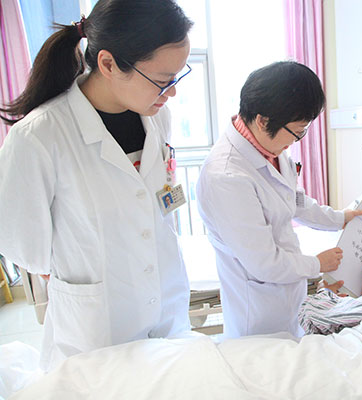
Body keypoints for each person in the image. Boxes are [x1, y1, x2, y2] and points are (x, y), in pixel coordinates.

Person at [0, 0, 193, 370]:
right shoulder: (39, 136)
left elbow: (159, 201)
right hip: (95, 331)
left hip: (167, 310)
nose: (171, 93)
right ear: (108, 64)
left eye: (177, 77)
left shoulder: (158, 118)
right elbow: (24, 246)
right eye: (162, 80)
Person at [197, 61, 362, 338]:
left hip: (289, 296)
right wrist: (317, 264)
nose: (297, 140)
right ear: (263, 120)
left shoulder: (269, 148)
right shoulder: (226, 177)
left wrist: (340, 219)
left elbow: (295, 202)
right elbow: (264, 263)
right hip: (257, 313)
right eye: (297, 131)